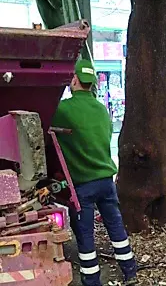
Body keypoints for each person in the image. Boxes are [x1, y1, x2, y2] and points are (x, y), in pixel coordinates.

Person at [52, 59, 137, 286]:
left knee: (85, 234)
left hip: (83, 186)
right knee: (115, 224)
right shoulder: (102, 110)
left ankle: (91, 280)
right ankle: (130, 270)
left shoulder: (63, 110)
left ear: (75, 80)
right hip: (106, 182)